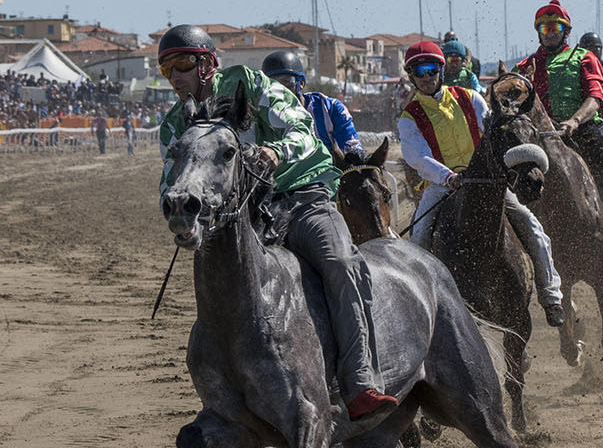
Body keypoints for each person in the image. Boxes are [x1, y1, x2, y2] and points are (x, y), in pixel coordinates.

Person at [156, 25, 397, 419]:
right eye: (167, 69)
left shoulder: (249, 83)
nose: (175, 76)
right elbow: (172, 179)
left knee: (340, 263)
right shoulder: (174, 125)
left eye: (182, 63)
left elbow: (301, 128)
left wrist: (275, 150)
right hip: (244, 217)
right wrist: (179, 212)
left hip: (303, 196)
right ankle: (225, 414)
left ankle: (361, 382)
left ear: (208, 64)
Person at [395, 39, 565, 324]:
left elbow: (496, 131)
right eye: (419, 71)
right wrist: (447, 177)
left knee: (532, 225)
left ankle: (551, 296)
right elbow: (418, 158)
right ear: (411, 76)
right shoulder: (409, 117)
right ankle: (419, 309)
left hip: (487, 179)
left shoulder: (470, 98)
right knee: (419, 238)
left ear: (440, 70)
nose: (426, 77)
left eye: (431, 69)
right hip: (442, 186)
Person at [515, 0, 603, 273]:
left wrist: (574, 121)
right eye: (544, 27)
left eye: (556, 26)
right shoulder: (527, 65)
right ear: (538, 32)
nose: (550, 31)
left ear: (565, 31)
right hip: (540, 137)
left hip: (581, 132)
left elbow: (596, 97)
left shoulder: (584, 58)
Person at [261, 49, 363, 160]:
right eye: (273, 84)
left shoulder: (330, 109)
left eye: (286, 82)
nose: (281, 90)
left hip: (329, 173)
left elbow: (353, 152)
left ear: (301, 83)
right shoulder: (261, 115)